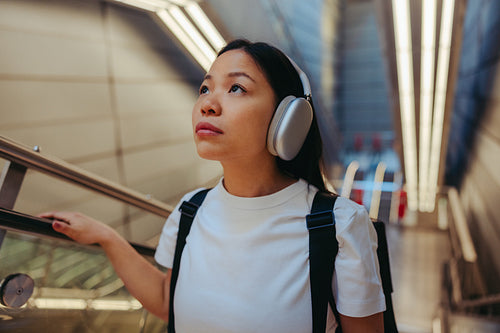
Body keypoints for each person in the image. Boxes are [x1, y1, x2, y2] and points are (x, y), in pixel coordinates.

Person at [40, 39, 385, 332]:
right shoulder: (191, 209)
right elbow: (165, 299)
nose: (207, 103)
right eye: (205, 88)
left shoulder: (338, 224)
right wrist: (106, 236)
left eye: (237, 88)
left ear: (288, 118)